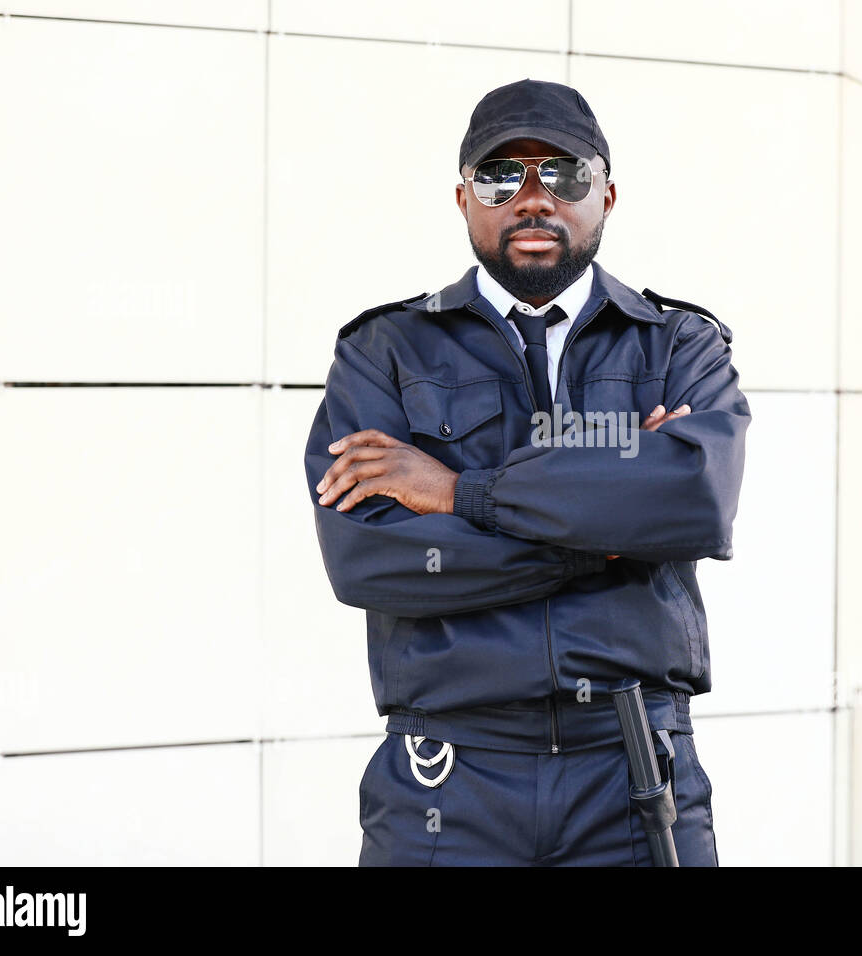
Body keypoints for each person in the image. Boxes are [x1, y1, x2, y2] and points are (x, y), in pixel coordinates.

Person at [304, 78, 751, 866]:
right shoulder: (386, 352)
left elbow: (696, 500)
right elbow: (370, 557)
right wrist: (612, 535)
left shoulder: (677, 345)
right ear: (463, 197)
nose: (534, 198)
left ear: (607, 195)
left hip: (637, 773)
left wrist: (456, 492)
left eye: (565, 175)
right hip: (444, 779)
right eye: (501, 175)